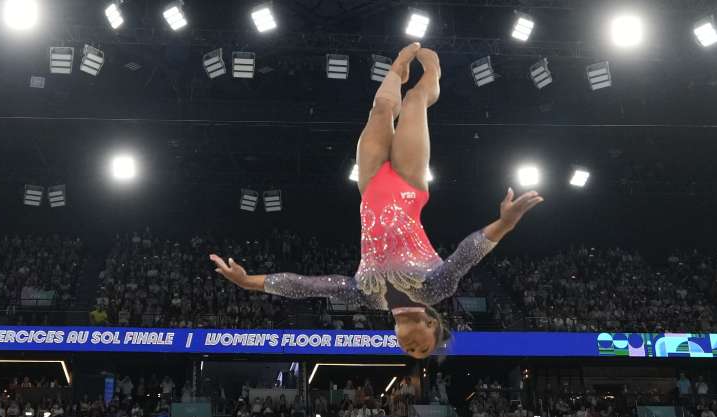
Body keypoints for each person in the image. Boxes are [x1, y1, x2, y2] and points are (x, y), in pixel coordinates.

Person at [210, 43, 543, 359]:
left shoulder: (367, 297)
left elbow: (306, 286)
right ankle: (433, 77)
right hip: (410, 186)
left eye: (408, 352)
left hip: (370, 187)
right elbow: (466, 255)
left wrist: (248, 282)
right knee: (413, 100)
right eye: (422, 349)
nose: (412, 349)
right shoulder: (435, 291)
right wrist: (505, 223)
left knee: (381, 109)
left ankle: (397, 69)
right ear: (432, 325)